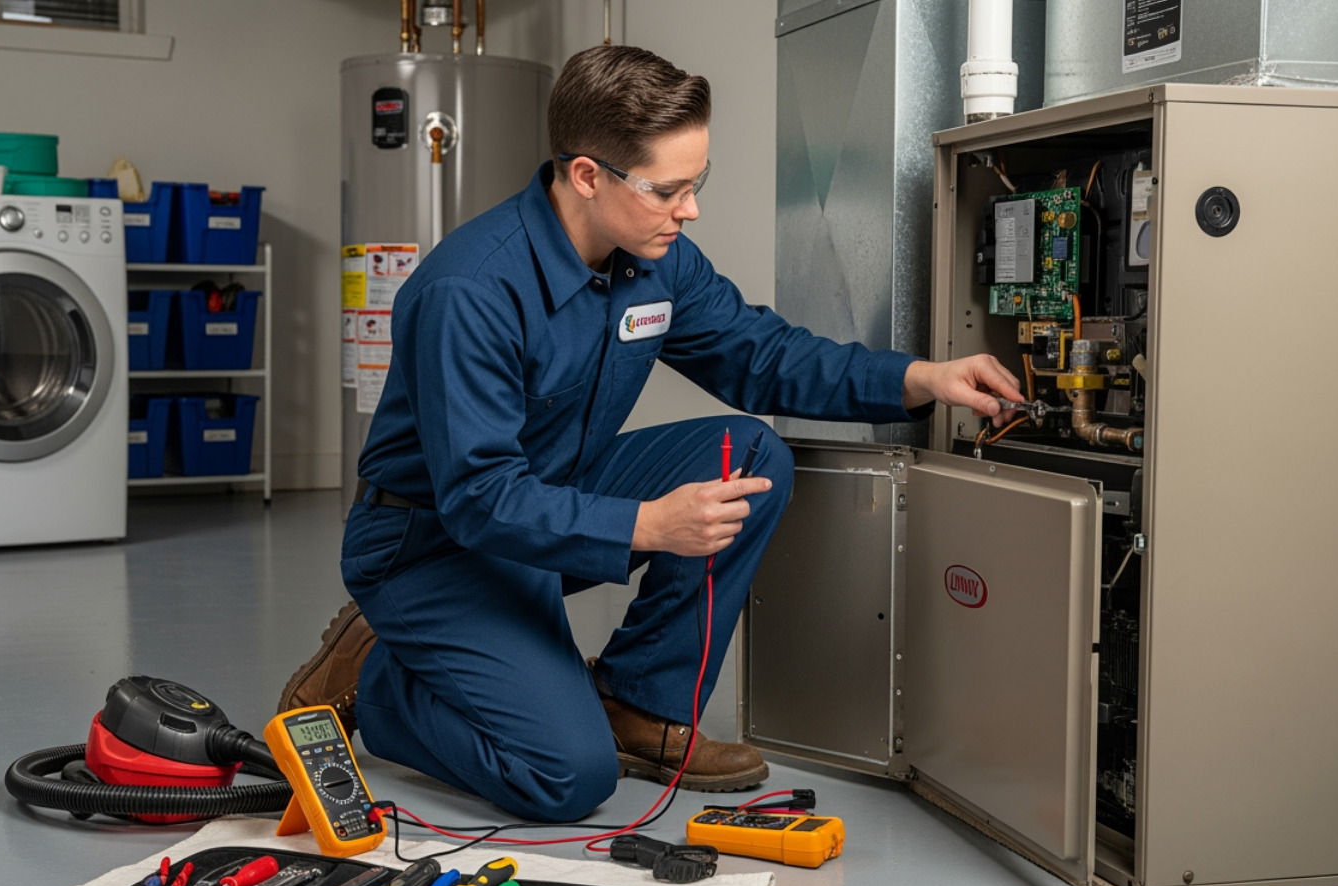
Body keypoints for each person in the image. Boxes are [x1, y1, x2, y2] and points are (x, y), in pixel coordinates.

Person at [280, 45, 1022, 823]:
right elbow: (478, 496)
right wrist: (648, 525)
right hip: (435, 546)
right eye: (668, 190)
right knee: (567, 777)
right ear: (588, 175)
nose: (689, 210)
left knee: (748, 454)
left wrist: (919, 379)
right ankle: (376, 680)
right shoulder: (471, 292)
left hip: (554, 498)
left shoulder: (654, 261)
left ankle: (639, 702)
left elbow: (761, 356)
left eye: (696, 185)